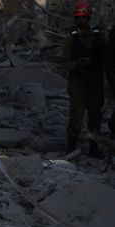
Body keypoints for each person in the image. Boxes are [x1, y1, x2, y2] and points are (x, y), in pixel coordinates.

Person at [62, 1, 106, 157]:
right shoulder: (71, 38)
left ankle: (93, 147)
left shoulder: (98, 36)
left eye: (84, 18)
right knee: (76, 116)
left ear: (88, 17)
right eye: (79, 18)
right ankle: (71, 145)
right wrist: (77, 64)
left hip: (95, 82)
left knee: (95, 116)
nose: (81, 21)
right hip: (78, 83)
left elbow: (106, 58)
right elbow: (65, 63)